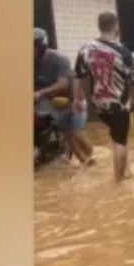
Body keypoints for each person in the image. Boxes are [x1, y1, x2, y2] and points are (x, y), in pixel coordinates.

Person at [73, 12, 134, 182]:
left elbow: (78, 75)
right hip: (118, 104)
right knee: (120, 140)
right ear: (116, 26)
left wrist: (77, 99)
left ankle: (127, 170)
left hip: (98, 104)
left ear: (99, 26)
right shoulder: (123, 52)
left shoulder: (85, 49)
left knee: (120, 135)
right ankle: (118, 181)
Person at [34, 27, 93, 165]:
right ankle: (85, 162)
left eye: (33, 47)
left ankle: (91, 156)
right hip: (52, 102)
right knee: (66, 131)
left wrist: (40, 93)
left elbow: (63, 85)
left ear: (41, 46)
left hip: (73, 99)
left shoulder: (59, 59)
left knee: (72, 131)